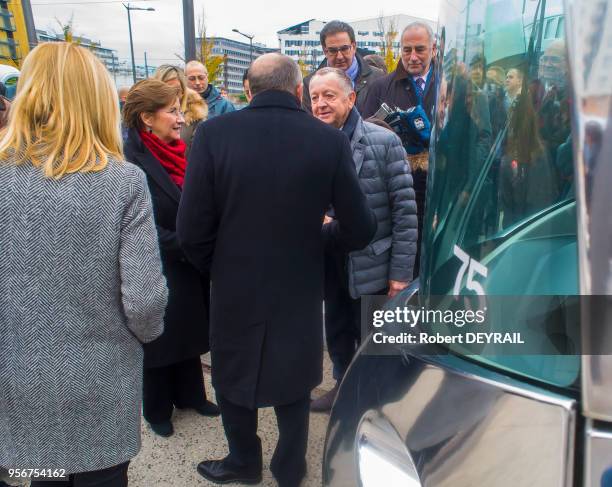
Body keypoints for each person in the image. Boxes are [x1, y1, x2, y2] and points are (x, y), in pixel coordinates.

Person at [177, 53, 376, 487]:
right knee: (294, 374)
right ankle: (290, 467)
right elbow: (361, 228)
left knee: (233, 372)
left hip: (234, 283)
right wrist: (321, 241)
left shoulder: (213, 134)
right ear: (299, 91)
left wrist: (221, 266)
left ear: (248, 90)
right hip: (300, 282)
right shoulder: (328, 141)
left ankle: (243, 463)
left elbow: (190, 230)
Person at [0, 42, 168, 487]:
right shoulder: (122, 181)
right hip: (100, 379)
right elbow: (145, 300)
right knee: (103, 479)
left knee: (42, 476)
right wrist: (146, 336)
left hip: (18, 375)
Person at [309, 68, 417, 412]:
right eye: (314, 97)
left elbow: (405, 212)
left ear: (350, 98)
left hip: (375, 260)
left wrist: (400, 273)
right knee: (338, 333)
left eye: (329, 95)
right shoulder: (308, 143)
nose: (321, 104)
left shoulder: (384, 142)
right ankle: (343, 386)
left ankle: (377, 399)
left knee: (375, 338)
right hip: (330, 261)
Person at [122, 79, 219, 438]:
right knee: (161, 337)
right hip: (158, 261)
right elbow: (137, 226)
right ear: (147, 118)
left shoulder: (180, 151)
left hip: (186, 259)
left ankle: (191, 395)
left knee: (189, 329)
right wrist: (188, 241)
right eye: (173, 111)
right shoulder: (131, 161)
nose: (180, 119)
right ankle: (157, 408)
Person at [362, 21, 437, 276]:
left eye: (420, 49)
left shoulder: (451, 84)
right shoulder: (381, 87)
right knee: (402, 265)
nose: (412, 57)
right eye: (406, 50)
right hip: (396, 187)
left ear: (434, 49)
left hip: (441, 189)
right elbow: (363, 136)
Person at [302, 20, 384, 113]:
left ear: (354, 47)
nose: (340, 56)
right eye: (333, 51)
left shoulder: (377, 78)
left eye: (344, 49)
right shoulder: (309, 83)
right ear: (325, 51)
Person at [153, 64, 208, 156]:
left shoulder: (196, 118)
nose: (171, 95)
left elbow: (197, 158)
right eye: (166, 90)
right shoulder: (146, 116)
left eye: (176, 90)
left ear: (183, 92)